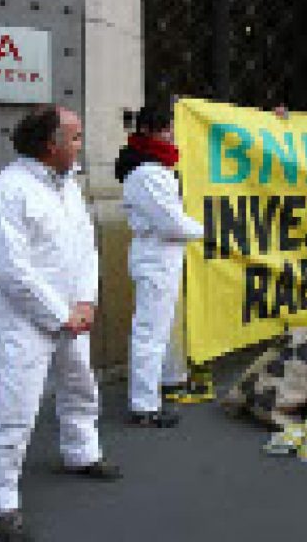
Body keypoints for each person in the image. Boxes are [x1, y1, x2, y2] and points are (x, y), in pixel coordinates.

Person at [0, 105, 121, 541]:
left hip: (71, 316)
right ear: (49, 145)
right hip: (23, 323)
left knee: (80, 388)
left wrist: (86, 301)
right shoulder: (6, 191)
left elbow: (85, 248)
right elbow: (10, 270)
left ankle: (82, 452)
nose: (81, 145)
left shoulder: (68, 187)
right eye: (74, 138)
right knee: (14, 410)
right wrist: (62, 313)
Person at [115, 105, 204, 427]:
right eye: (167, 129)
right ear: (151, 131)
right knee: (150, 332)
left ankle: (168, 380)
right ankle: (144, 405)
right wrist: (205, 230)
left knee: (164, 328)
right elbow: (172, 224)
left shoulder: (155, 168)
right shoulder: (147, 173)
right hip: (156, 258)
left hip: (163, 257)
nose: (172, 135)